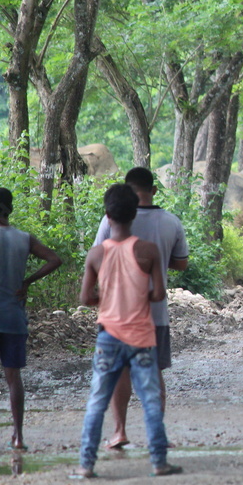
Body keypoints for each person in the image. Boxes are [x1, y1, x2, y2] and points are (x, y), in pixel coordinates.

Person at [73, 184, 181, 478]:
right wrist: (137, 298)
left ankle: (86, 465)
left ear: (107, 216)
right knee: (149, 400)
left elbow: (84, 298)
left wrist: (105, 300)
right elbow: (159, 293)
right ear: (133, 215)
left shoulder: (96, 254)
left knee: (97, 400)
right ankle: (159, 462)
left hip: (108, 335)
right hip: (142, 336)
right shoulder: (148, 250)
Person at [92, 167, 187, 450]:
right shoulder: (171, 222)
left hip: (115, 314)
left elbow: (98, 259)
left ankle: (119, 431)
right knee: (154, 372)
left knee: (119, 372)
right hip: (154, 315)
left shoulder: (109, 221)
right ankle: (157, 435)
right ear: (153, 190)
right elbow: (181, 263)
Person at [0, 188, 62, 451]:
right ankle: (18, 436)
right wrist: (28, 281)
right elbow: (55, 259)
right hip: (13, 318)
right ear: (9, 209)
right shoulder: (24, 238)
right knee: (13, 377)